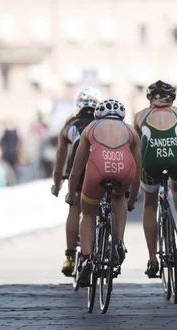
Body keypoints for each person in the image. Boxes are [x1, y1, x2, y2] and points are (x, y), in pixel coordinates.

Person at [65, 99, 141, 288]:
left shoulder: (90, 128)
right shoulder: (131, 131)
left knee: (89, 214)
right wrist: (132, 199)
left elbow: (76, 168)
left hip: (98, 167)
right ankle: (119, 242)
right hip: (124, 169)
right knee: (118, 196)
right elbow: (138, 173)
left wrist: (70, 193)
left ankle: (88, 258)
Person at [133, 80, 177, 278]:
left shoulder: (140, 116)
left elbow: (136, 151)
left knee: (150, 205)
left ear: (149, 98)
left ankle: (152, 258)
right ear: (172, 98)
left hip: (151, 162)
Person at [50, 86, 101, 276]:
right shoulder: (102, 123)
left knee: (76, 207)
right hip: (102, 168)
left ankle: (70, 257)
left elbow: (60, 159)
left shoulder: (70, 125)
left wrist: (58, 183)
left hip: (78, 171)